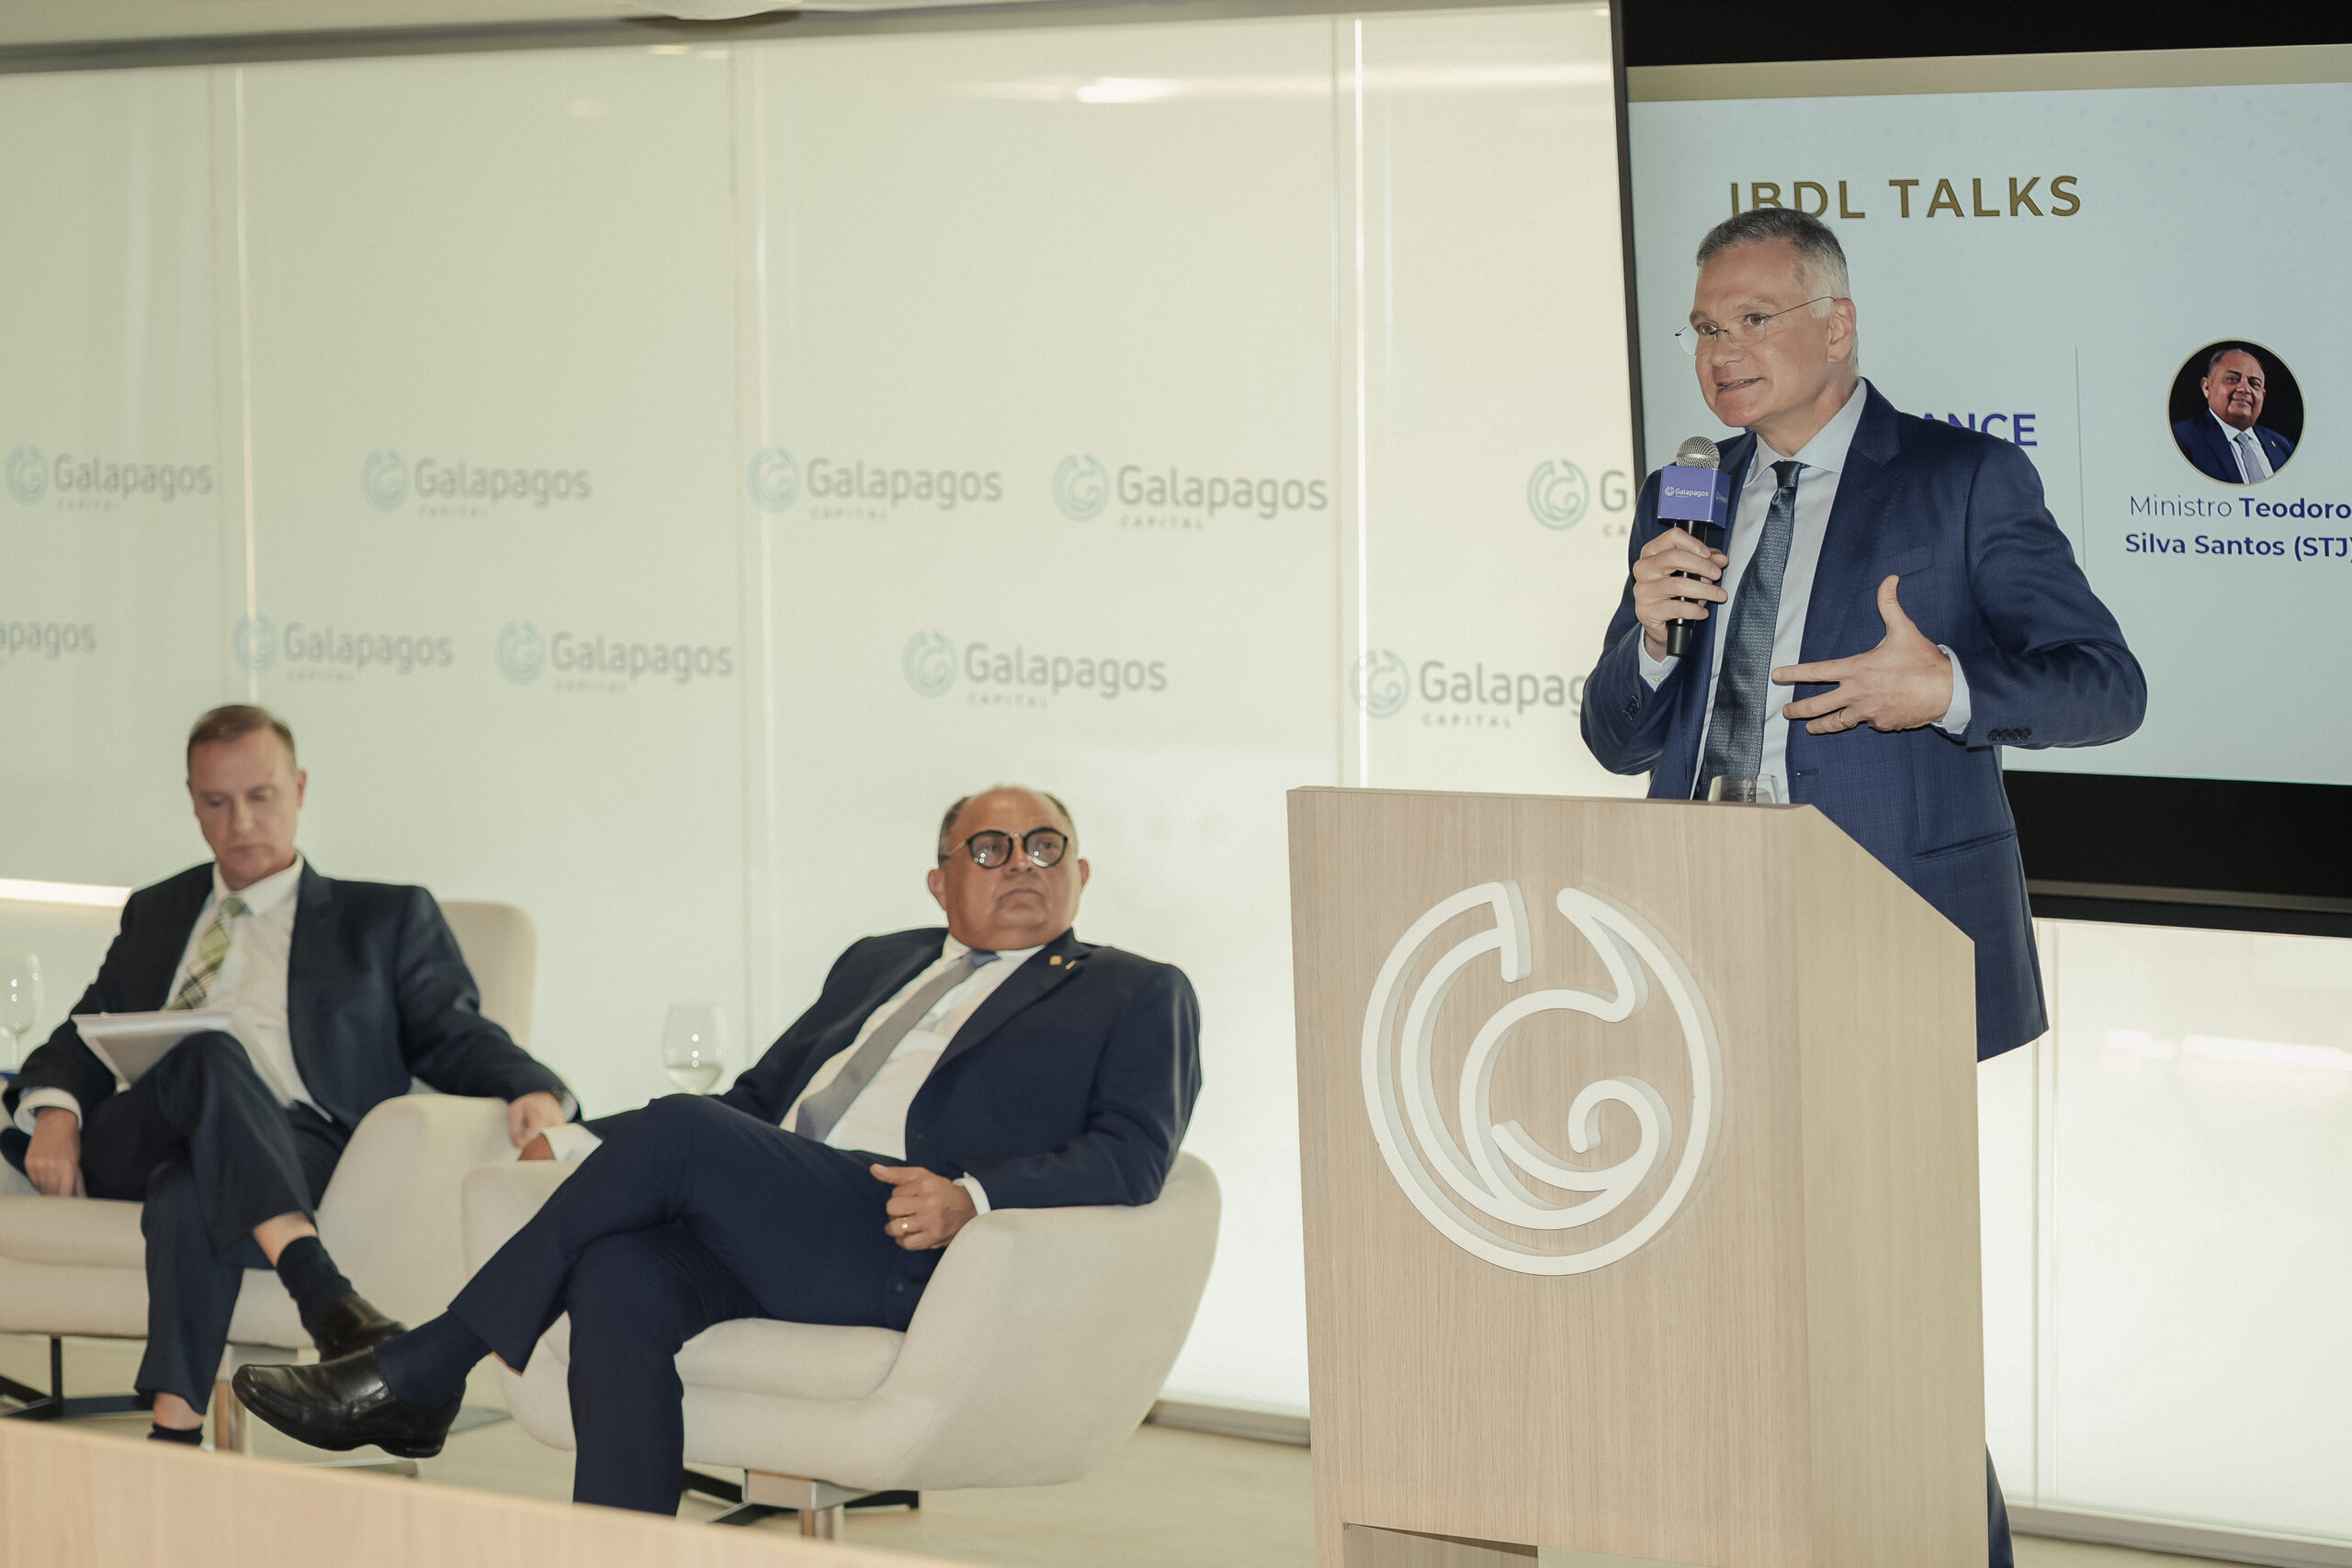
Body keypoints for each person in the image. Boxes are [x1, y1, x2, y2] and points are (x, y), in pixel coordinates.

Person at [1579, 208, 2145, 1568]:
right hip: (1699, 942)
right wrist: (1650, 635)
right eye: (1704, 327)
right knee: (1730, 1299)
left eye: (1753, 318)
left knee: (1884, 1304)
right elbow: (1615, 735)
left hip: (1881, 947)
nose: (1721, 351)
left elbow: (2106, 685)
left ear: (1837, 325)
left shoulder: (1960, 479)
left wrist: (1944, 688)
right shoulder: (1685, 491)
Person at [232, 785, 1202, 1516]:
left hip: (901, 1235)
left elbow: (1133, 1155)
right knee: (618, 1273)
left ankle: (425, 1367)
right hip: (779, 1221)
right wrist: (573, 1139)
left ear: (1080, 874)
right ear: (940, 881)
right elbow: (757, 1102)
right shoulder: (880, 960)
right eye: (991, 848)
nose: (1023, 863)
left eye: (1045, 846)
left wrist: (974, 1195)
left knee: (687, 1129)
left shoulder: (1133, 990)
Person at [1, 705, 573, 1443]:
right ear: (192, 800)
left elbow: (452, 1030)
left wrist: (532, 1084)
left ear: (299, 788)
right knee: (206, 1050)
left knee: (188, 1188)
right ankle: (328, 1300)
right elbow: (82, 1033)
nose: (240, 820)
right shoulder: (157, 910)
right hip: (146, 1125)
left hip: (293, 1140)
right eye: (216, 801)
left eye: (260, 795)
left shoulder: (383, 918)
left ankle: (172, 1438)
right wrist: (55, 1109)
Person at [2171, 345, 2295, 484]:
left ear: (2263, 396)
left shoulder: (2283, 446)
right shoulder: (2181, 439)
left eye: (2254, 383)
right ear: (2207, 387)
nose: (2245, 389)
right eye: (2232, 379)